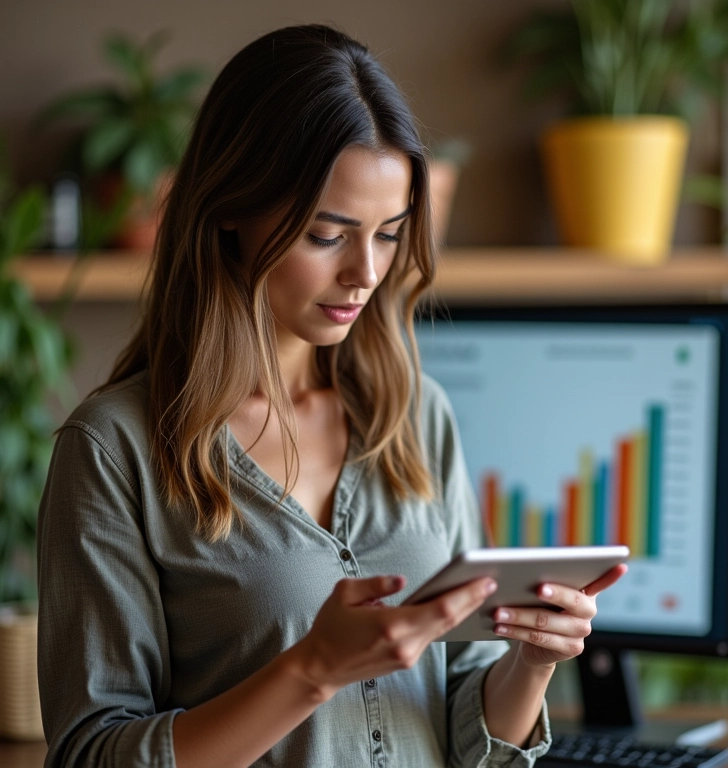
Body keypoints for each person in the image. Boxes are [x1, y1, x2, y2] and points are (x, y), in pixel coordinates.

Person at [36, 24, 626, 768]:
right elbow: (90, 754)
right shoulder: (112, 450)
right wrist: (310, 671)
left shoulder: (416, 416)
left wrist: (532, 662)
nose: (365, 273)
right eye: (326, 235)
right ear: (230, 208)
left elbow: (468, 726)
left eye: (389, 234)